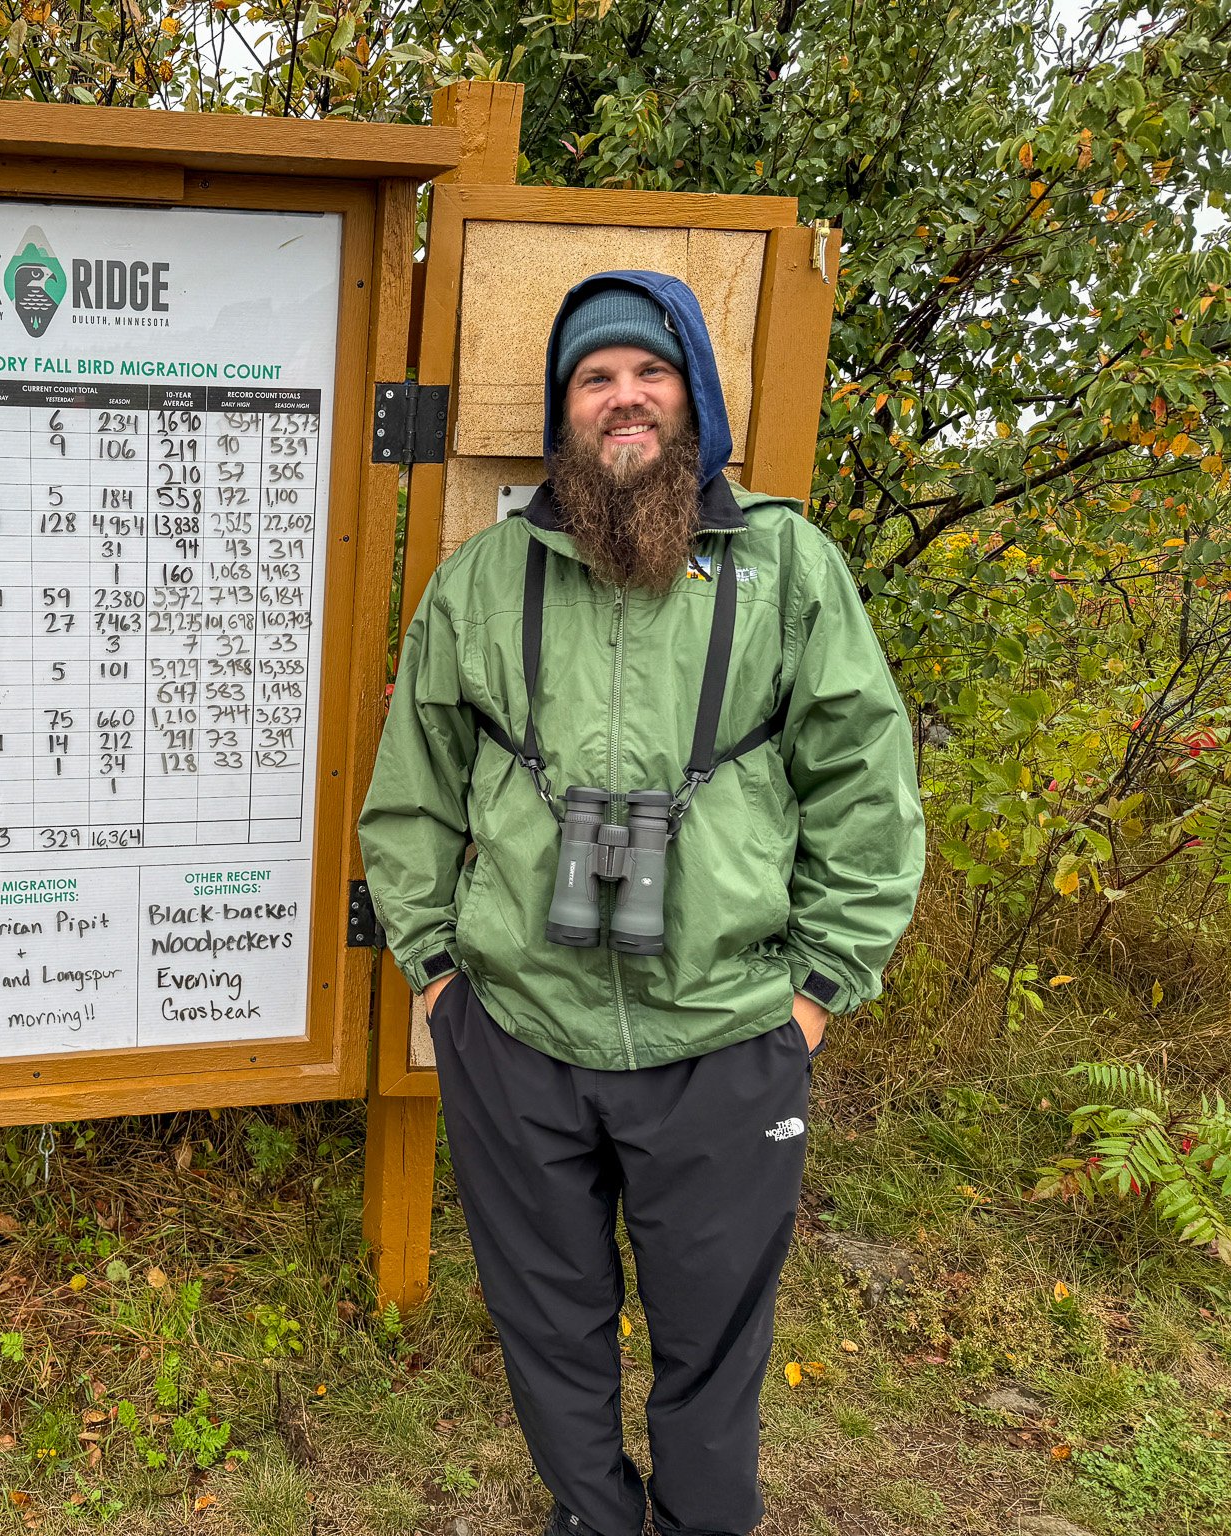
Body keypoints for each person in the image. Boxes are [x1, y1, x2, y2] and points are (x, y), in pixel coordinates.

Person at [357, 272, 926, 1536]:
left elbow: (865, 790)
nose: (623, 399)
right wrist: (442, 981)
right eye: (592, 378)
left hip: (724, 1038)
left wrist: (817, 993)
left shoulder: (784, 567)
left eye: (647, 373)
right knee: (544, 1324)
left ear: (693, 397)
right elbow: (410, 797)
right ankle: (594, 1519)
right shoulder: (483, 581)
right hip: (515, 1037)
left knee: (712, 1340)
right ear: (564, 413)